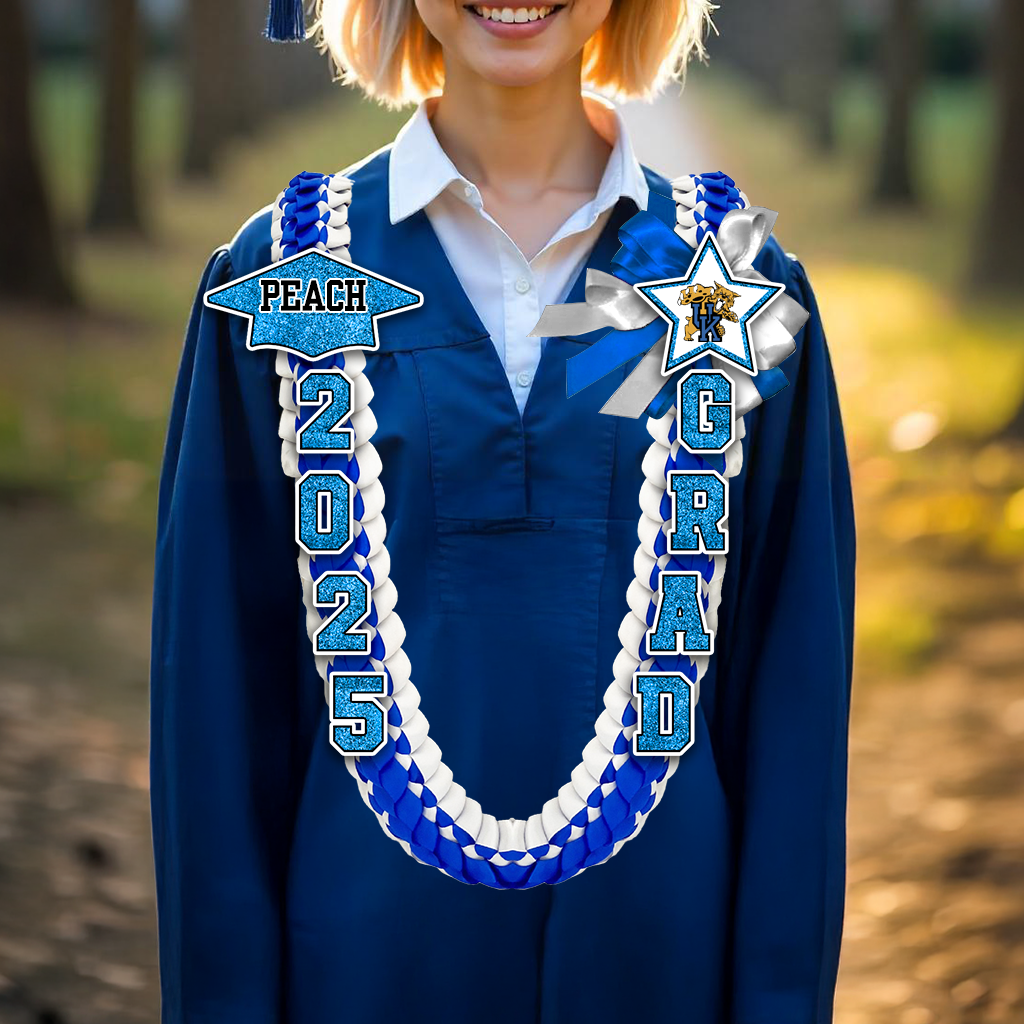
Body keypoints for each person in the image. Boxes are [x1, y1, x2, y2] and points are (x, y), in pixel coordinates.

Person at [149, 0, 856, 1020]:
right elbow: (216, 696)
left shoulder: (741, 290)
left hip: (663, 947)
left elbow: (791, 686)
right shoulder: (284, 280)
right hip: (363, 950)